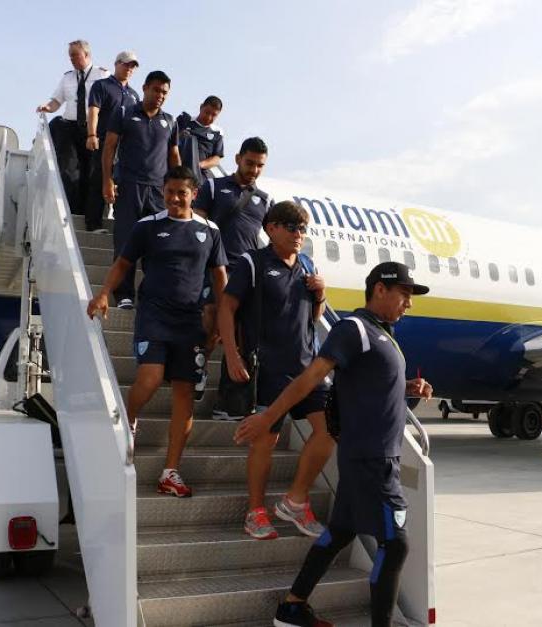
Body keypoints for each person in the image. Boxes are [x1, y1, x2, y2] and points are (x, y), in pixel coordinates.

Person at [235, 261, 434, 627]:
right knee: (395, 544)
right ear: (379, 289)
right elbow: (310, 378)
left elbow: (369, 384)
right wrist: (268, 417)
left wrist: (409, 387)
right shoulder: (354, 329)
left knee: (341, 531)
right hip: (371, 460)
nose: (409, 303)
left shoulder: (381, 333)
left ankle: (292, 608)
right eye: (404, 294)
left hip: (373, 456)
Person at [87, 166, 227, 498]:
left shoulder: (210, 231)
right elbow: (123, 264)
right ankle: (129, 421)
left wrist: (223, 319)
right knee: (149, 379)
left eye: (182, 193)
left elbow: (220, 277)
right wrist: (104, 293)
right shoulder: (148, 226)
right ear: (163, 192)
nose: (175, 198)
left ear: (194, 194)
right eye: (169, 191)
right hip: (154, 315)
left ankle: (170, 472)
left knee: (184, 395)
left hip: (191, 321)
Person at [218, 201, 330, 540]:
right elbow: (227, 307)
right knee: (266, 441)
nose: (299, 234)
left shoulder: (307, 264)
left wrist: (320, 295)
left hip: (307, 368)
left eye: (303, 229)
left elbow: (313, 318)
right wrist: (232, 355)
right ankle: (255, 512)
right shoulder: (253, 262)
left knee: (330, 430)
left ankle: (295, 501)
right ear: (271, 229)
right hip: (268, 368)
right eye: (292, 227)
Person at [191, 137, 271, 412]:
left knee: (240, 336)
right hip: (215, 267)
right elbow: (197, 225)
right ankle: (198, 368)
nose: (254, 170)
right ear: (237, 159)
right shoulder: (214, 187)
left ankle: (229, 401)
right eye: (250, 163)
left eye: (260, 165)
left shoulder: (265, 200)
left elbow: (271, 237)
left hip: (245, 272)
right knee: (212, 318)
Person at [102, 70, 182, 310]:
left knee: (158, 244)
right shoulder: (124, 112)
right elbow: (109, 147)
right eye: (156, 90)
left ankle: (153, 294)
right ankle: (124, 295)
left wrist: (179, 188)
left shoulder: (170, 121)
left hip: (158, 192)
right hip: (129, 186)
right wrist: (107, 180)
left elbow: (174, 155)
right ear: (145, 88)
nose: (160, 96)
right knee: (126, 241)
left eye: (164, 93)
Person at [36, 40, 108, 217]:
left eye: (75, 55)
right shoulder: (67, 77)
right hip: (70, 128)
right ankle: (72, 210)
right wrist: (47, 108)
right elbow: (56, 101)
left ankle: (90, 213)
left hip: (92, 130)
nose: (72, 59)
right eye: (70, 56)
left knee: (91, 171)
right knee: (69, 170)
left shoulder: (102, 75)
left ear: (86, 55)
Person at [84, 50, 140, 233]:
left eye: (132, 67)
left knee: (122, 184)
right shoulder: (102, 85)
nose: (129, 69)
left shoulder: (134, 95)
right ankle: (93, 223)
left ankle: (121, 224)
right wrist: (91, 134)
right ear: (117, 64)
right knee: (99, 179)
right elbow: (94, 110)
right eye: (126, 64)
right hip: (103, 140)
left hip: (125, 147)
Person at [177, 96, 224, 184]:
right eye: (207, 112)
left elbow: (216, 159)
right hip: (178, 168)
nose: (209, 117)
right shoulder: (185, 120)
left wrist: (197, 165)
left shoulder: (217, 132)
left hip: (199, 174)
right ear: (201, 107)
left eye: (214, 115)